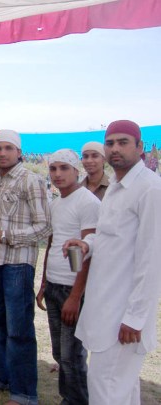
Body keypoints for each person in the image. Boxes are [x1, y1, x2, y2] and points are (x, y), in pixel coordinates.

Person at [64, 120, 161, 405]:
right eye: (110, 143)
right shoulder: (118, 186)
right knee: (121, 390)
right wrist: (87, 244)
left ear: (140, 148)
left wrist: (135, 317)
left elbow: (152, 258)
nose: (115, 149)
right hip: (105, 305)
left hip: (123, 314)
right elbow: (109, 236)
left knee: (105, 389)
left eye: (123, 142)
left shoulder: (150, 188)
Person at [0, 129, 51, 405]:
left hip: (18, 264)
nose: (2, 153)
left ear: (19, 152)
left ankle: (24, 393)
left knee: (19, 329)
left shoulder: (31, 180)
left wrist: (5, 236)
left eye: (8, 148)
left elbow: (44, 227)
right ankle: (2, 376)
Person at [35, 149, 100, 405]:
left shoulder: (87, 202)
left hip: (72, 288)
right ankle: (68, 398)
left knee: (72, 355)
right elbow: (52, 243)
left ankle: (77, 401)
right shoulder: (56, 202)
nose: (57, 174)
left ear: (76, 171)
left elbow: (89, 252)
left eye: (64, 168)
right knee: (60, 353)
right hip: (54, 285)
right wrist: (43, 283)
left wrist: (75, 296)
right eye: (53, 168)